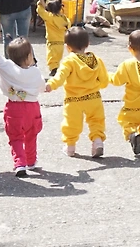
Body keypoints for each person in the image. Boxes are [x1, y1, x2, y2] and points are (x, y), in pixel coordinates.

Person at [0, 25, 45, 177]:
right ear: (29, 56)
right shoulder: (35, 72)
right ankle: (31, 161)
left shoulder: (7, 68)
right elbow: (42, 87)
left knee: (16, 137)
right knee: (31, 135)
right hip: (32, 108)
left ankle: (20, 163)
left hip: (13, 108)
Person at [45, 25, 109, 157]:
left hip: (74, 100)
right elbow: (104, 81)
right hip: (94, 98)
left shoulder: (69, 61)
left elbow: (60, 76)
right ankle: (97, 141)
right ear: (88, 44)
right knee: (96, 121)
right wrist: (97, 85)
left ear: (67, 47)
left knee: (71, 123)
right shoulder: (97, 60)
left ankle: (70, 146)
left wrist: (51, 85)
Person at [37, 0, 70, 77]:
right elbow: (68, 24)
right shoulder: (64, 18)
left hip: (52, 42)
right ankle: (56, 69)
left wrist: (40, 3)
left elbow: (40, 11)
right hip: (61, 43)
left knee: (51, 58)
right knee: (57, 58)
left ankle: (54, 70)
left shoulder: (49, 17)